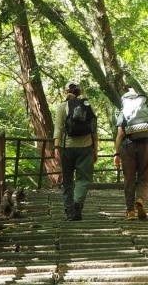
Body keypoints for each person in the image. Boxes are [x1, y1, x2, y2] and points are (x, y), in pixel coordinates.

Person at [113, 88, 148, 220]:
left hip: (128, 146)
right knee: (145, 177)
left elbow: (120, 134)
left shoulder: (124, 110)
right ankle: (140, 199)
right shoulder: (147, 108)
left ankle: (130, 212)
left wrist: (116, 154)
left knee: (129, 179)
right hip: (145, 145)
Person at [54, 81, 98, 221]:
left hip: (67, 148)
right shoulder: (87, 106)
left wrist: (56, 148)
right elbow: (94, 129)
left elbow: (58, 129)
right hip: (86, 147)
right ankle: (77, 203)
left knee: (67, 181)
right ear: (80, 92)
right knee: (83, 179)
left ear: (66, 91)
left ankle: (69, 211)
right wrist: (95, 149)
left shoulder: (62, 106)